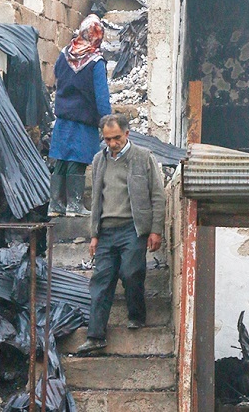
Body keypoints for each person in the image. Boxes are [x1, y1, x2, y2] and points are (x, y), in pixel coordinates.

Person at [76, 113, 166, 354]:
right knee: (101, 282)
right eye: (107, 139)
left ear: (127, 134)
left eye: (116, 138)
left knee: (131, 272)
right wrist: (94, 234)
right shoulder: (99, 160)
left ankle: (137, 314)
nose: (112, 143)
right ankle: (95, 336)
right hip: (106, 231)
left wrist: (155, 230)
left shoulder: (143, 157)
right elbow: (97, 199)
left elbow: (158, 195)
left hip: (132, 229)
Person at [48, 14, 112, 217]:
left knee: (61, 159)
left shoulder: (65, 54)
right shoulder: (95, 62)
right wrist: (106, 121)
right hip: (84, 122)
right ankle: (74, 205)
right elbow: (101, 96)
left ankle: (55, 204)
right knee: (78, 160)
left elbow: (56, 76)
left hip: (63, 119)